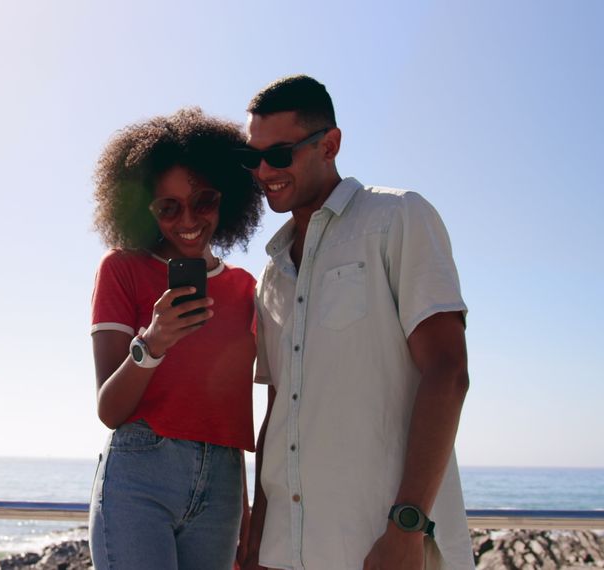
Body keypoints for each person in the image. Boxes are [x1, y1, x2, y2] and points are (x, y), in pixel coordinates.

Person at [238, 75, 474, 570]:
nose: (263, 171)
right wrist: (258, 541)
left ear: (330, 144)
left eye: (278, 155)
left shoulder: (398, 218)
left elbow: (448, 371)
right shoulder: (273, 272)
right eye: (252, 157)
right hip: (289, 552)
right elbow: (278, 409)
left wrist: (406, 529)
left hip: (384, 548)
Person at [87, 107, 264, 570]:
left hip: (223, 484)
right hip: (141, 474)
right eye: (168, 207)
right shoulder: (122, 269)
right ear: (146, 210)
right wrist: (153, 343)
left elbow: (228, 409)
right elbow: (110, 410)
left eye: (203, 200)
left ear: (226, 199)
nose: (188, 218)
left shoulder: (248, 289)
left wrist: (247, 510)